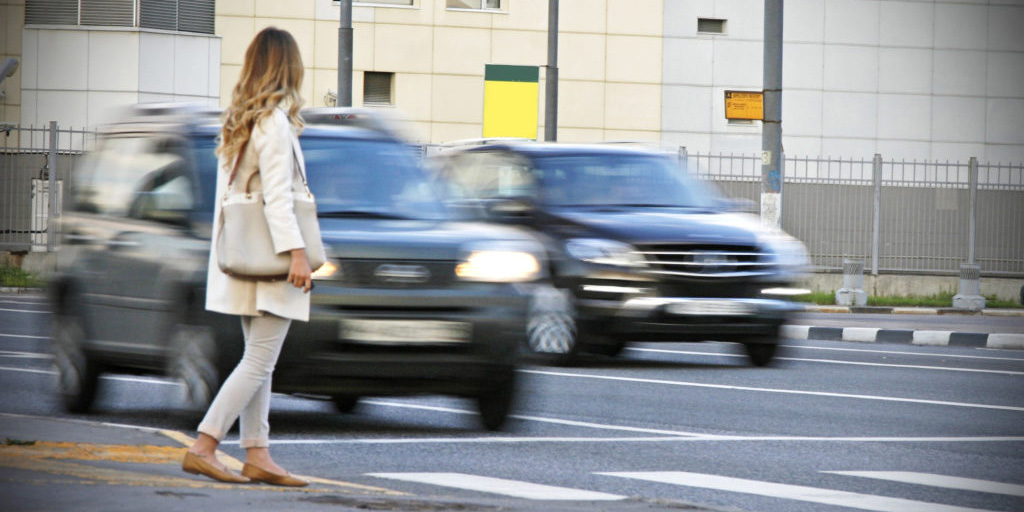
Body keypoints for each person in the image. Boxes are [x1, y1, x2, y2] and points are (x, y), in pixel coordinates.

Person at [181, 27, 312, 487]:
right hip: (273, 258)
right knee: (259, 358)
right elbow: (278, 198)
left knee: (259, 359)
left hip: (246, 256)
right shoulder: (273, 121)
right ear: (287, 66)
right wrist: (297, 253)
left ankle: (257, 452)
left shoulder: (241, 117)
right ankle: (205, 445)